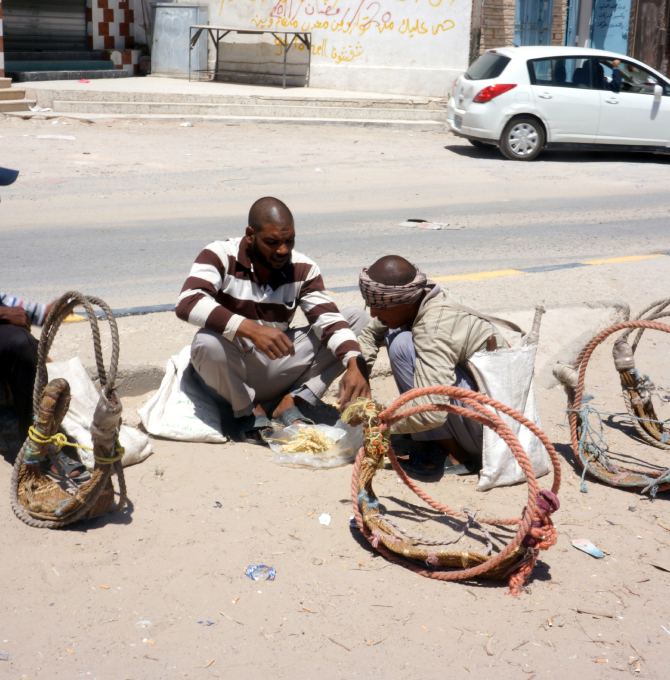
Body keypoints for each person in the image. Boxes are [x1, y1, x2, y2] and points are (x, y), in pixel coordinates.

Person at [176, 197, 370, 444]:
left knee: (356, 320)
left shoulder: (303, 268)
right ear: (250, 235)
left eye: (289, 241)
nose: (282, 250)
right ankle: (248, 411)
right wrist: (250, 329)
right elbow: (188, 302)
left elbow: (328, 319)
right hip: (230, 371)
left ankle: (289, 403)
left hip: (275, 364)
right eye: (272, 242)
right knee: (206, 342)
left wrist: (354, 363)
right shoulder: (219, 255)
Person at [356, 256, 506, 475]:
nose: (373, 313)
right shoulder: (417, 297)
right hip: (479, 417)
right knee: (393, 329)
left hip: (493, 434)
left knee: (401, 344)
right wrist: (359, 373)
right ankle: (436, 438)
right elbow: (371, 333)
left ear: (404, 301)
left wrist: (378, 424)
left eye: (378, 306)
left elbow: (432, 413)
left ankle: (456, 456)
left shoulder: (434, 328)